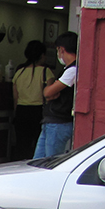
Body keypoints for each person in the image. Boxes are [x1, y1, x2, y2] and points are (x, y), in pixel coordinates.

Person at [34, 31, 79, 159]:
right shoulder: (67, 70)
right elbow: (49, 94)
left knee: (49, 163)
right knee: (38, 162)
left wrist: (51, 91)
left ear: (61, 49)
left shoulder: (73, 70)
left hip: (59, 123)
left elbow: (48, 92)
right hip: (52, 122)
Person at [10, 40, 55, 161]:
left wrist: (16, 113)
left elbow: (15, 97)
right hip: (38, 112)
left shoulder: (19, 73)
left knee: (21, 145)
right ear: (41, 55)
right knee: (38, 146)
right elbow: (50, 95)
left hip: (21, 111)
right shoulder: (46, 72)